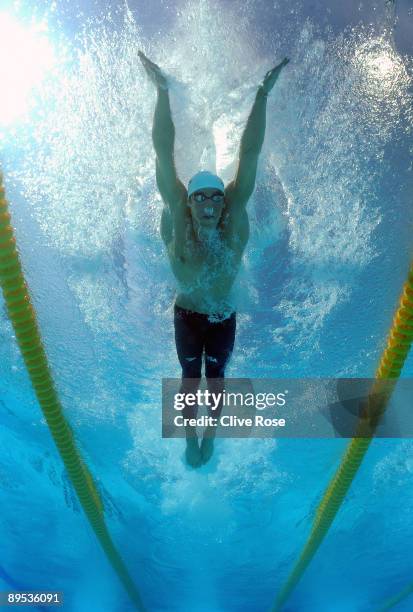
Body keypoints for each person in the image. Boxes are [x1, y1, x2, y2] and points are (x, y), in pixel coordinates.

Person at [139, 50, 289, 467]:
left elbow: (251, 154)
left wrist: (262, 95)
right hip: (187, 316)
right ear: (188, 202)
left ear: (225, 203)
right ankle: (191, 440)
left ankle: (211, 436)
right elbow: (162, 152)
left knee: (216, 380)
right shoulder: (178, 218)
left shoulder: (232, 221)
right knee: (190, 379)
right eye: (199, 196)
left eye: (216, 197)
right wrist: (162, 91)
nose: (208, 204)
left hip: (223, 316)